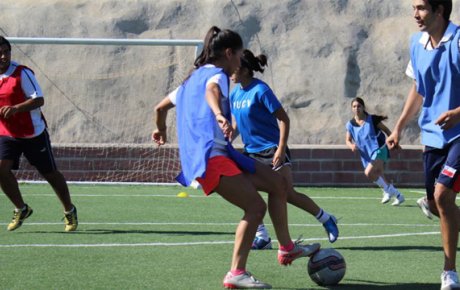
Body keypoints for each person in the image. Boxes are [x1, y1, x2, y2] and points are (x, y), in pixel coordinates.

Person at [152, 26, 321, 289]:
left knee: (279, 185)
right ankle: (236, 272)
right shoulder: (216, 75)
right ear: (229, 53)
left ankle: (287, 248)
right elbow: (212, 92)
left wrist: (160, 128)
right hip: (211, 159)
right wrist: (219, 114)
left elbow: (160, 107)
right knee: (255, 208)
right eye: (240, 55)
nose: (241, 62)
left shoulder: (190, 79)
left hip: (223, 155)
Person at [229, 49, 339, 250]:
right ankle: (262, 236)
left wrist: (280, 149)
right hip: (250, 152)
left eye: (234, 67)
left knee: (287, 194)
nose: (230, 72)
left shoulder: (261, 90)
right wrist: (229, 136)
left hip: (271, 149)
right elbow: (238, 123)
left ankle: (325, 218)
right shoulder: (234, 93)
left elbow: (283, 119)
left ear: (244, 70)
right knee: (243, 190)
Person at [386, 1, 460, 288]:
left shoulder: (458, 40)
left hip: (458, 134)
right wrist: (399, 127)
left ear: (440, 10)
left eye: (421, 8)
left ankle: (449, 272)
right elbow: (418, 88)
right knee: (434, 203)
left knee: (442, 196)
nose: (415, 14)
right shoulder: (416, 44)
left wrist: (457, 113)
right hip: (432, 136)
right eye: (414, 8)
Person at [0, 36, 78, 232]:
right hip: (7, 133)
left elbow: (39, 100)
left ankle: (69, 210)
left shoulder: (21, 73)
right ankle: (21, 208)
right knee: (0, 169)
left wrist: (16, 108)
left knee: (49, 173)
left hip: (32, 133)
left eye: (6, 52)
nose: (3, 56)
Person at [345, 97, 405, 206]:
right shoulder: (350, 124)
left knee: (368, 173)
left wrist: (394, 142)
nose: (356, 108)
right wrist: (351, 146)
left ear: (363, 107)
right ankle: (398, 196)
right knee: (379, 174)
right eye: (354, 106)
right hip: (366, 153)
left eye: (359, 106)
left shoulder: (371, 120)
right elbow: (347, 140)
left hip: (379, 149)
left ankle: (387, 190)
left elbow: (386, 130)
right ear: (351, 109)